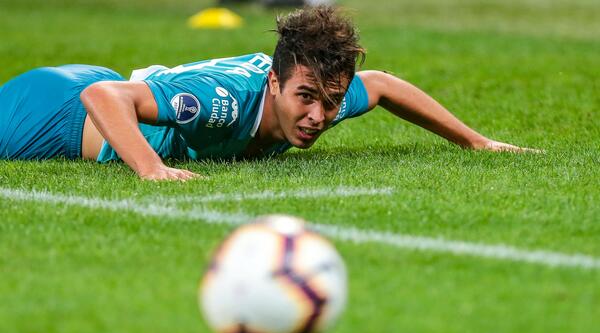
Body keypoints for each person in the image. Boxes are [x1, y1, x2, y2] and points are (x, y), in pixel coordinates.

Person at [0, 6, 536, 181]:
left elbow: (383, 86)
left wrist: (476, 143)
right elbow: (103, 96)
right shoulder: (223, 101)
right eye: (306, 97)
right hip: (54, 113)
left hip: (92, 90)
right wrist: (151, 170)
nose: (319, 114)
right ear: (274, 83)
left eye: (331, 101)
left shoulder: (325, 97)